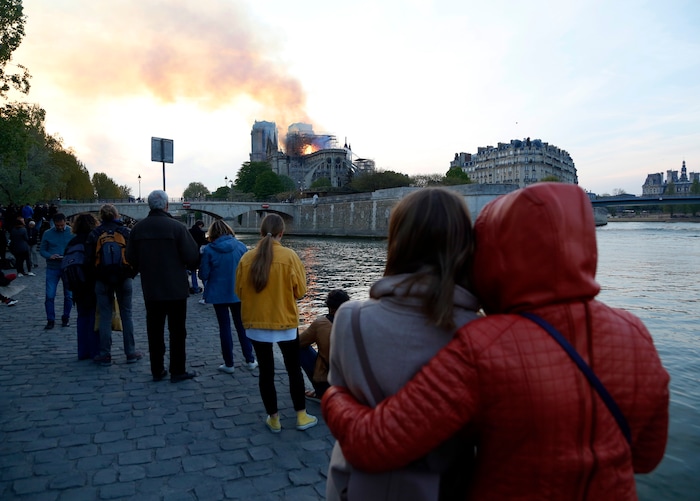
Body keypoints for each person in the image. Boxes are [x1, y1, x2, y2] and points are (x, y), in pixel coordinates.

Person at [322, 183, 671, 500]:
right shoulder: (635, 331)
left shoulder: (485, 345)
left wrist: (334, 398)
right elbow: (646, 457)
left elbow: (377, 443)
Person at [325, 187, 481, 500]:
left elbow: (341, 396)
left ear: (397, 240)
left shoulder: (349, 318)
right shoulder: (481, 334)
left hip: (356, 484)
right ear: (464, 245)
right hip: (443, 487)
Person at [235, 213, 317, 433]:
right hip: (284, 323)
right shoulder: (290, 257)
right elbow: (300, 291)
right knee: (293, 370)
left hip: (256, 323)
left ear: (261, 232)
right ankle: (301, 416)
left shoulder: (246, 258)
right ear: (282, 233)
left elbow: (239, 292)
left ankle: (274, 418)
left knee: (266, 372)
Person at [125, 190, 200, 382]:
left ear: (149, 206)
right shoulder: (177, 228)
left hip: (152, 288)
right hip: (176, 288)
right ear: (166, 205)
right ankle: (177, 370)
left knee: (155, 331)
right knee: (177, 331)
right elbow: (192, 258)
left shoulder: (138, 229)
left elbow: (130, 257)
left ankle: (157, 370)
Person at [85, 204, 143, 366]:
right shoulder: (125, 232)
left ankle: (105, 354)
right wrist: (130, 274)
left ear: (101, 217)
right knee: (127, 314)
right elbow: (135, 256)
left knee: (104, 315)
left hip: (102, 279)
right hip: (124, 278)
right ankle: (130, 352)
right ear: (117, 215)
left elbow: (88, 260)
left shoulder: (95, 233)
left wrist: (97, 275)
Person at [198, 219, 257, 374]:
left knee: (224, 327)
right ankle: (250, 359)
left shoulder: (209, 250)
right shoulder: (241, 247)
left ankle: (229, 363)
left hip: (218, 294)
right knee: (241, 326)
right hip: (239, 293)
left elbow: (203, 274)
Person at [298, 289, 350, 402]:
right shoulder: (355, 323)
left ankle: (320, 393)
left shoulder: (321, 323)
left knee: (300, 349)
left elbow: (299, 343)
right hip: (351, 386)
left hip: (326, 384)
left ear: (329, 306)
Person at [65, 212, 100, 360]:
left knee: (82, 317)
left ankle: (82, 351)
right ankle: (95, 351)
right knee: (94, 317)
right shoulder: (94, 240)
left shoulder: (72, 243)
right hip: (92, 283)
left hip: (77, 284)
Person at [40, 213, 73, 329]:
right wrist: (49, 256)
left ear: (65, 222)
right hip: (52, 267)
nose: (60, 227)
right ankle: (50, 320)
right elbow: (42, 250)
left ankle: (66, 317)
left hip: (67, 267)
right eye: (57, 225)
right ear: (54, 223)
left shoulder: (71, 232)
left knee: (69, 295)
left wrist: (69, 257)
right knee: (49, 295)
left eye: (62, 225)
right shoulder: (48, 233)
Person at [188, 220, 207, 294]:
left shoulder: (189, 231)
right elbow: (203, 242)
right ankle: (206, 288)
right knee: (203, 271)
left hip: (191, 254)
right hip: (199, 254)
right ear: (201, 225)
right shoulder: (201, 233)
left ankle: (195, 288)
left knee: (193, 272)